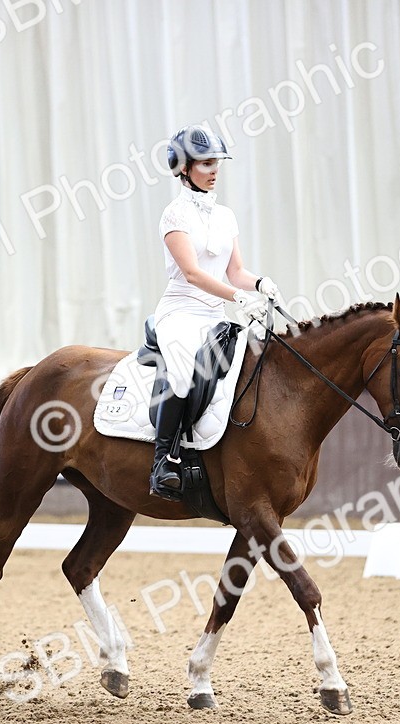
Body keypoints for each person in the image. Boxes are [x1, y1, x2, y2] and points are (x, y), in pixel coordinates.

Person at [149, 124, 281, 499]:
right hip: (180, 311)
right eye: (206, 163)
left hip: (213, 315)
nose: (214, 170)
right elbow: (192, 273)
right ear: (184, 168)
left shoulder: (225, 215)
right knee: (181, 372)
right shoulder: (174, 215)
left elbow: (235, 272)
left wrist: (260, 284)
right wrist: (236, 297)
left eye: (217, 163)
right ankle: (163, 462)